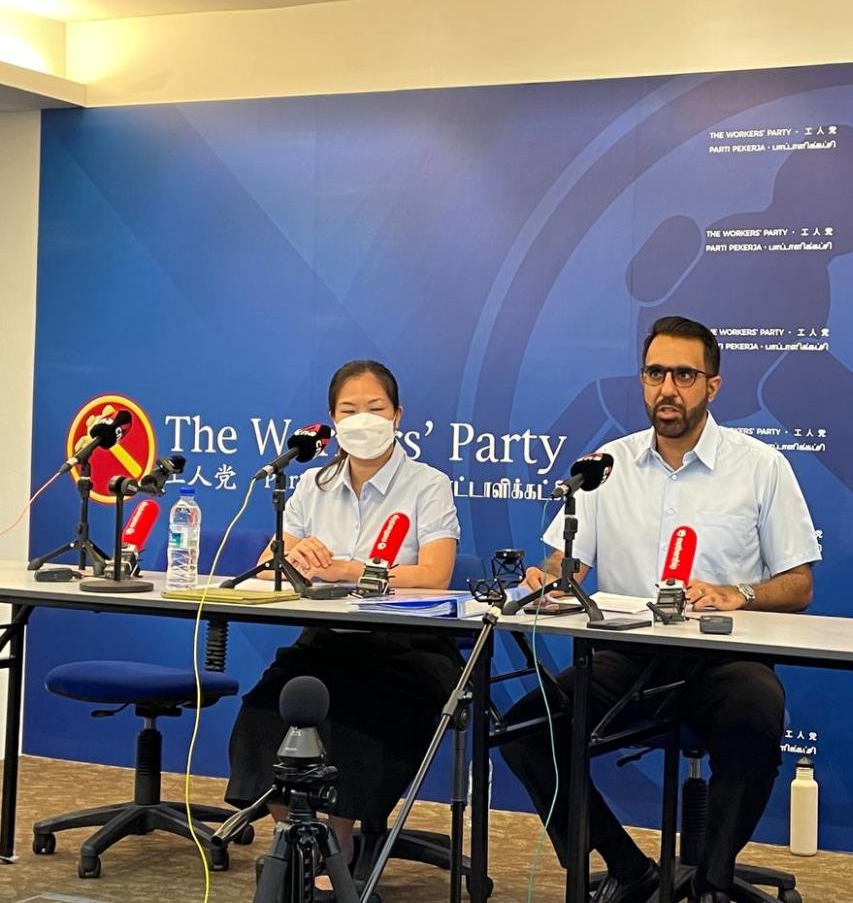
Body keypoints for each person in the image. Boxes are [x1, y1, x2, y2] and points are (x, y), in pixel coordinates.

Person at [499, 316, 821, 903]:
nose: (667, 388)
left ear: (713, 386)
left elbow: (799, 584)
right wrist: (548, 581)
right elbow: (567, 569)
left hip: (724, 658)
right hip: (625, 657)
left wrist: (739, 593)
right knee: (526, 731)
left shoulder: (760, 466)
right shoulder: (604, 467)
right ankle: (629, 868)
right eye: (654, 373)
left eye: (684, 374)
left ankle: (714, 884)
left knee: (758, 708)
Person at [225, 359, 461, 898]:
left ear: (398, 416)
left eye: (375, 409)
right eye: (349, 411)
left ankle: (339, 844)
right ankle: (297, 835)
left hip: (407, 649)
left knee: (355, 721)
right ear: (331, 421)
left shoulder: (429, 485)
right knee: (266, 711)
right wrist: (293, 553)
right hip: (326, 643)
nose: (363, 420)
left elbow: (435, 575)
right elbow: (270, 563)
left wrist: (350, 569)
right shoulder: (311, 484)